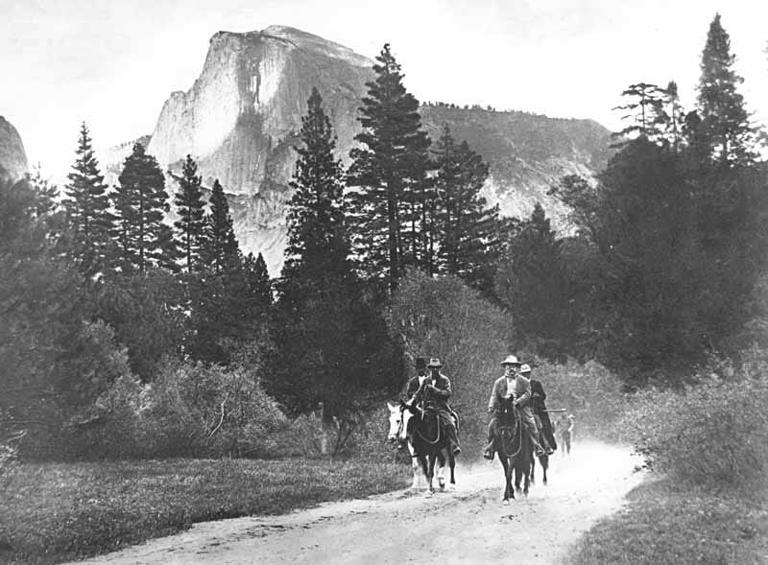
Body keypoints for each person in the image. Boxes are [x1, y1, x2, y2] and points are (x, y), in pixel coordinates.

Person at [483, 355, 552, 460]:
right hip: (503, 407)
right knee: (492, 425)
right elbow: (494, 395)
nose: (511, 368)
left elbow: (528, 394)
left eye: (513, 366)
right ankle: (490, 448)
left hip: (521, 407)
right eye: (508, 366)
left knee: (532, 424)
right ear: (505, 367)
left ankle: (537, 446)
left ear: (516, 368)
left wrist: (518, 402)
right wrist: (491, 406)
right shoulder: (499, 382)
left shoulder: (524, 381)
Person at [413, 357, 461, 455]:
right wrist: (412, 400)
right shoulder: (426, 380)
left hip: (441, 408)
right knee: (416, 422)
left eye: (437, 368)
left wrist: (434, 390)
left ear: (439, 369)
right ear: (429, 369)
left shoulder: (445, 380)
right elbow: (418, 393)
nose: (435, 370)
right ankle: (417, 447)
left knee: (450, 423)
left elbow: (447, 393)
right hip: (428, 408)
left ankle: (454, 444)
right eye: (433, 368)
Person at [521, 364, 557, 454]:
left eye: (527, 373)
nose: (526, 375)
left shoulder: (536, 384)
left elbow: (543, 396)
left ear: (530, 374)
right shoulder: (518, 386)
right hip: (522, 409)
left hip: (535, 409)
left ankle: (547, 444)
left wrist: (536, 397)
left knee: (541, 425)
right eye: (524, 374)